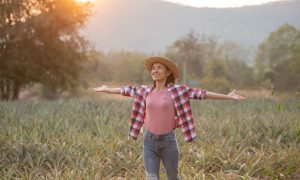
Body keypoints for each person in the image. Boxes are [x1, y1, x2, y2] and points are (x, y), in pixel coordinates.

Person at [92, 56, 245, 180]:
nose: (155, 70)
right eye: (153, 68)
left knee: (173, 177)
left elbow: (202, 94)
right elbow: (126, 90)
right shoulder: (145, 91)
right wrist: (107, 90)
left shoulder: (177, 91)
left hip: (168, 142)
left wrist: (228, 97)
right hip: (149, 142)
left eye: (159, 67)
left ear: (167, 73)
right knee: (151, 177)